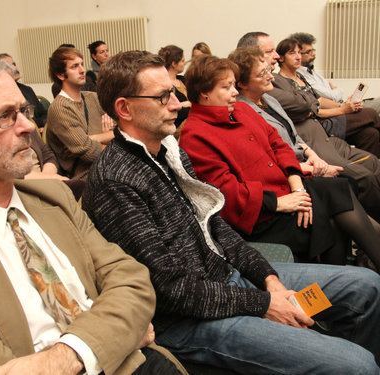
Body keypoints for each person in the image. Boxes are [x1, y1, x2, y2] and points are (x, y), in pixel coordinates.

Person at [82, 49, 380, 375]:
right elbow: (170, 289)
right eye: (162, 96)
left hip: (232, 284)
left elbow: (217, 225)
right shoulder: (115, 180)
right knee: (358, 366)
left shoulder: (169, 151)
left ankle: (329, 351)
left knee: (367, 288)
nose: (176, 104)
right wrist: (264, 305)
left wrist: (267, 278)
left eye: (173, 93)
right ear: (124, 108)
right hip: (191, 319)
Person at [0, 50, 186, 375]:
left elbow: (132, 280)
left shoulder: (54, 197)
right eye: (4, 116)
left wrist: (67, 355)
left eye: (23, 111)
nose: (28, 127)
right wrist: (116, 335)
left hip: (139, 362)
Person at [180, 55, 380, 269]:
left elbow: (279, 145)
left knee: (341, 187)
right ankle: (349, 279)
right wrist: (279, 203)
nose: (235, 92)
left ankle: (348, 282)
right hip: (260, 213)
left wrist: (298, 188)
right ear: (204, 93)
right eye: (226, 87)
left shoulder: (241, 110)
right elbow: (225, 192)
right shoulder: (195, 135)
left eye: (234, 85)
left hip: (286, 188)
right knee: (333, 213)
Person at [230, 45, 380, 225]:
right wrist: (308, 166)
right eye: (262, 74)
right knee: (350, 186)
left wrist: (313, 156)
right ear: (242, 84)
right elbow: (270, 157)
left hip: (307, 154)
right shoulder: (244, 110)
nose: (270, 75)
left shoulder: (268, 99)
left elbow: (293, 132)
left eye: (268, 70)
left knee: (371, 149)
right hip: (292, 172)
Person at [272, 38, 380, 157]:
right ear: (281, 58)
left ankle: (372, 172)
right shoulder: (280, 81)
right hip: (319, 124)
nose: (298, 57)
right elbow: (313, 112)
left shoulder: (300, 76)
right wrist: (343, 110)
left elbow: (319, 100)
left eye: (299, 52)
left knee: (370, 134)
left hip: (329, 117)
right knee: (371, 113)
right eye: (292, 53)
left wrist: (343, 105)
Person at [46, 47, 114, 180]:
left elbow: (125, 130)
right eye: (74, 66)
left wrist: (94, 138)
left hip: (108, 166)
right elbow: (90, 153)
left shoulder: (92, 97)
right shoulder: (60, 108)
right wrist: (109, 137)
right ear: (60, 75)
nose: (82, 70)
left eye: (81, 64)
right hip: (87, 176)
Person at [290, 32, 380, 114]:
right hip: (338, 110)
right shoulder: (300, 77)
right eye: (309, 52)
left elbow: (333, 94)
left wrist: (339, 93)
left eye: (313, 50)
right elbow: (332, 96)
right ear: (298, 54)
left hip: (343, 104)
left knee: (372, 130)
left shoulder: (312, 71)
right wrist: (338, 90)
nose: (313, 54)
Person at [0, 53, 48, 128]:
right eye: (8, 66)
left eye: (14, 64)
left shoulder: (27, 89)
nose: (14, 68)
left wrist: (41, 127)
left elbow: (44, 114)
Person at [158, 45, 190, 137]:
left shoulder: (184, 80)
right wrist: (185, 105)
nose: (185, 63)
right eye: (182, 61)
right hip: (174, 134)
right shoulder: (163, 85)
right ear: (174, 64)